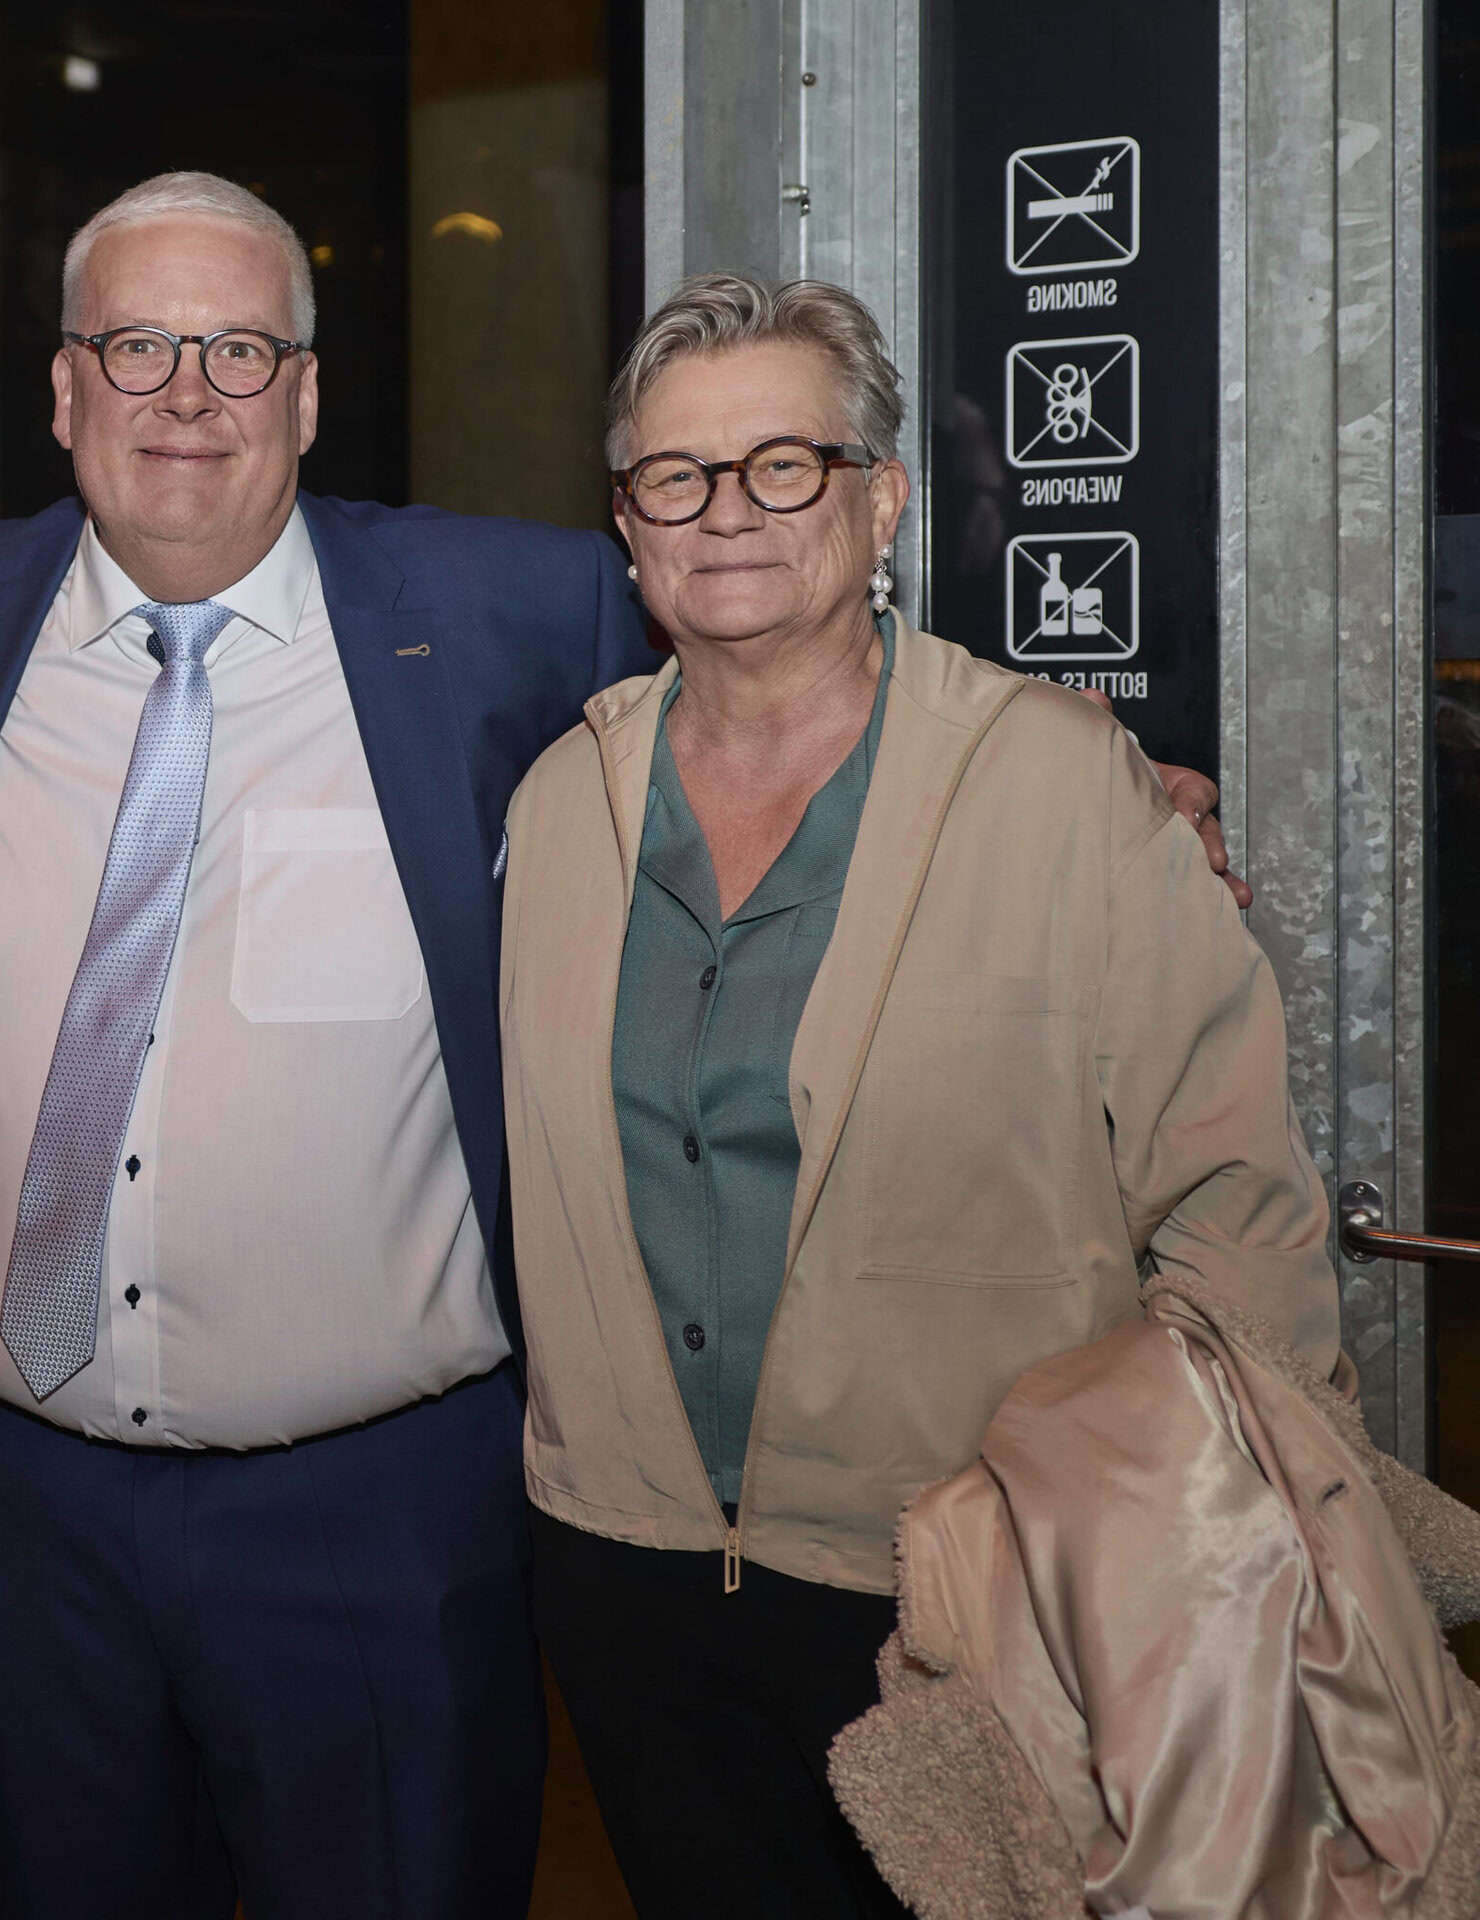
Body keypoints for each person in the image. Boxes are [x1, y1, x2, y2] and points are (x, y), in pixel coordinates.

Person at [0, 177, 1236, 1919]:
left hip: (376, 1526)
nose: (188, 394)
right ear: (65, 390)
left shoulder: (507, 610)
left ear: (309, 393)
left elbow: (777, 660)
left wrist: (1087, 795)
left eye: (240, 350)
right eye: (137, 347)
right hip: (14, 1512)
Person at [497, 271, 1342, 1918]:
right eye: (676, 474)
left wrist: (1182, 1555)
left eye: (783, 463)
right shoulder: (558, 803)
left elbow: (1239, 1211)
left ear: (881, 499)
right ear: (628, 526)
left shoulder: (1061, 783)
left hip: (979, 1580)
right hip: (628, 1580)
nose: (726, 511)